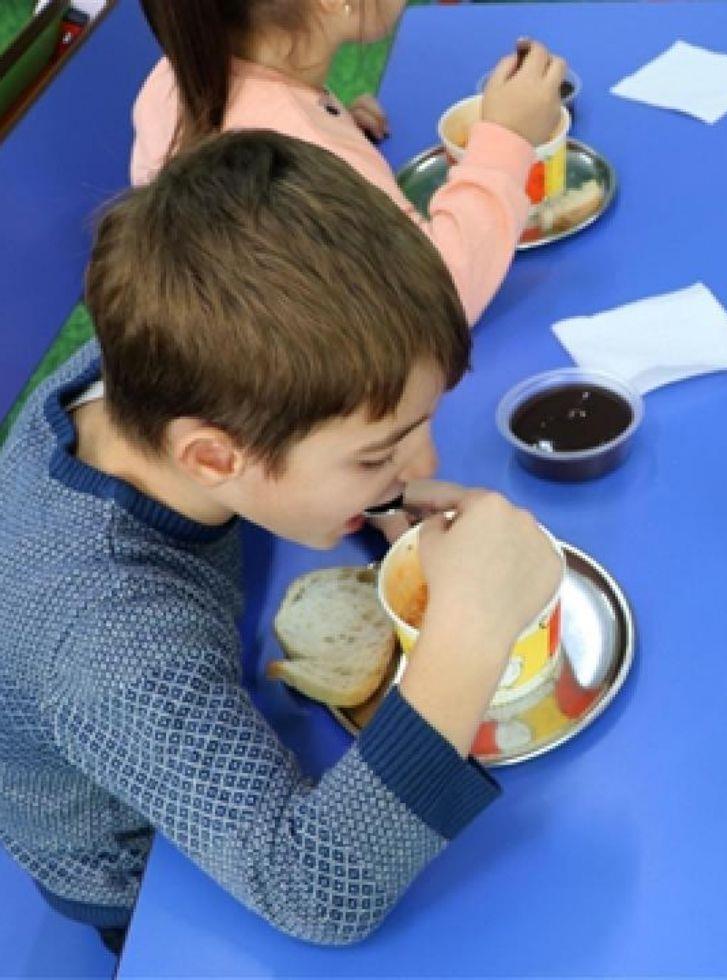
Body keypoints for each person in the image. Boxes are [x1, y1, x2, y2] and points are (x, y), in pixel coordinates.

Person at [0, 131, 561, 953]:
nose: (426, 466)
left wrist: (373, 497)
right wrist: (471, 632)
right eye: (377, 453)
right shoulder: (111, 644)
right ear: (212, 458)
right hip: (147, 879)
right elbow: (315, 894)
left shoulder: (153, 367)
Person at [134, 0, 566, 325]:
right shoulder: (302, 153)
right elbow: (440, 300)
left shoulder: (182, 71)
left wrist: (334, 121)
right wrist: (508, 139)